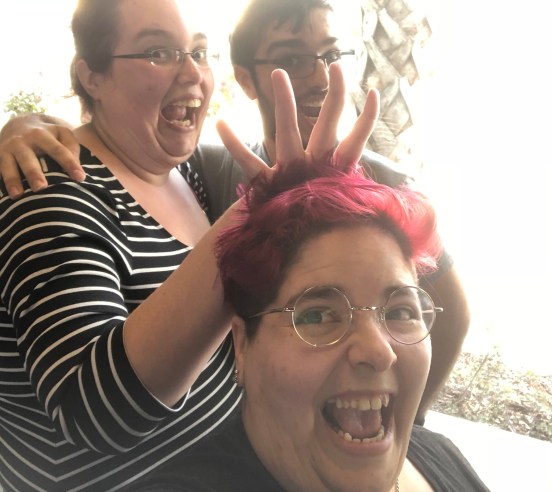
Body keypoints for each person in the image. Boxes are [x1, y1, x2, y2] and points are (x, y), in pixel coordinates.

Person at [0, 0, 470, 424]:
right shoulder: (216, 173)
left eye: (199, 52)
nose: (191, 72)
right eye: (158, 52)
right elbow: (91, 406)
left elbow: (450, 313)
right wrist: (23, 128)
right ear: (91, 76)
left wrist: (405, 423)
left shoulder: (190, 174)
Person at [124, 156, 489, 491]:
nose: (379, 352)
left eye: (401, 312)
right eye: (317, 315)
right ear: (243, 346)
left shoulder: (440, 453)